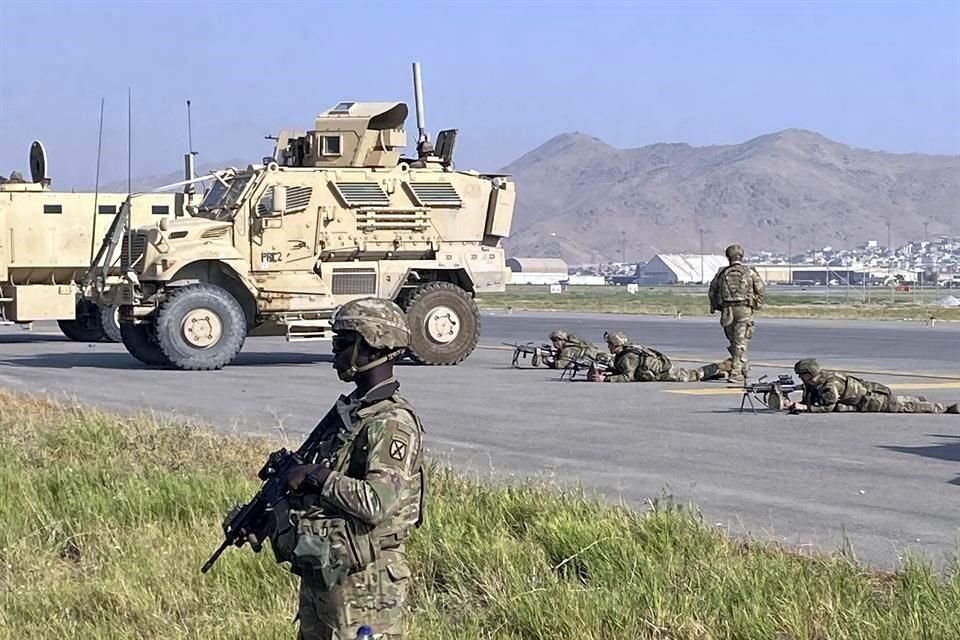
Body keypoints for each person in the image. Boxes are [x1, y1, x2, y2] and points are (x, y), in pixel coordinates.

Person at [272, 297, 425, 639]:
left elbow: (376, 502)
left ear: (373, 345)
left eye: (343, 344)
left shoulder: (391, 423)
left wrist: (317, 475)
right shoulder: (354, 413)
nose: (335, 354)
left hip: (367, 584)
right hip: (330, 570)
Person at [786, 358, 959, 414]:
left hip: (872, 400)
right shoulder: (816, 381)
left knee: (908, 407)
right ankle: (917, 400)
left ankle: (948, 408)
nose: (800, 378)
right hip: (863, 398)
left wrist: (804, 407)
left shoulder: (830, 384)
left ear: (810, 373)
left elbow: (827, 406)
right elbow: (813, 397)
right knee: (906, 402)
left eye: (802, 375)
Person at [708, 244, 765, 383]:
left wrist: (716, 306)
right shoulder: (749, 272)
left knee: (735, 341)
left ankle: (743, 366)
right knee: (740, 341)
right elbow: (761, 289)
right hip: (744, 310)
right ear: (741, 256)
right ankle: (736, 371)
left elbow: (712, 291)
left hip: (727, 310)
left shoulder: (722, 273)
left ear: (728, 257)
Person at [592, 331, 731, 383]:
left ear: (617, 345)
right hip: (658, 372)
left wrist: (607, 379)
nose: (608, 346)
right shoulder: (622, 355)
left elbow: (628, 377)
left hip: (665, 373)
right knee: (695, 376)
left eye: (610, 344)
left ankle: (722, 366)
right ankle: (717, 373)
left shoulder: (629, 357)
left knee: (694, 375)